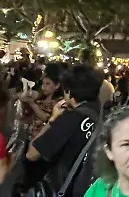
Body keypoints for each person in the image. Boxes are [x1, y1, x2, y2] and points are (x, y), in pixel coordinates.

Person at [26, 65, 104, 197]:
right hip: (89, 186)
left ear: (68, 91)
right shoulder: (100, 110)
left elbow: (31, 154)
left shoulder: (70, 119)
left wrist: (53, 119)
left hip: (65, 188)